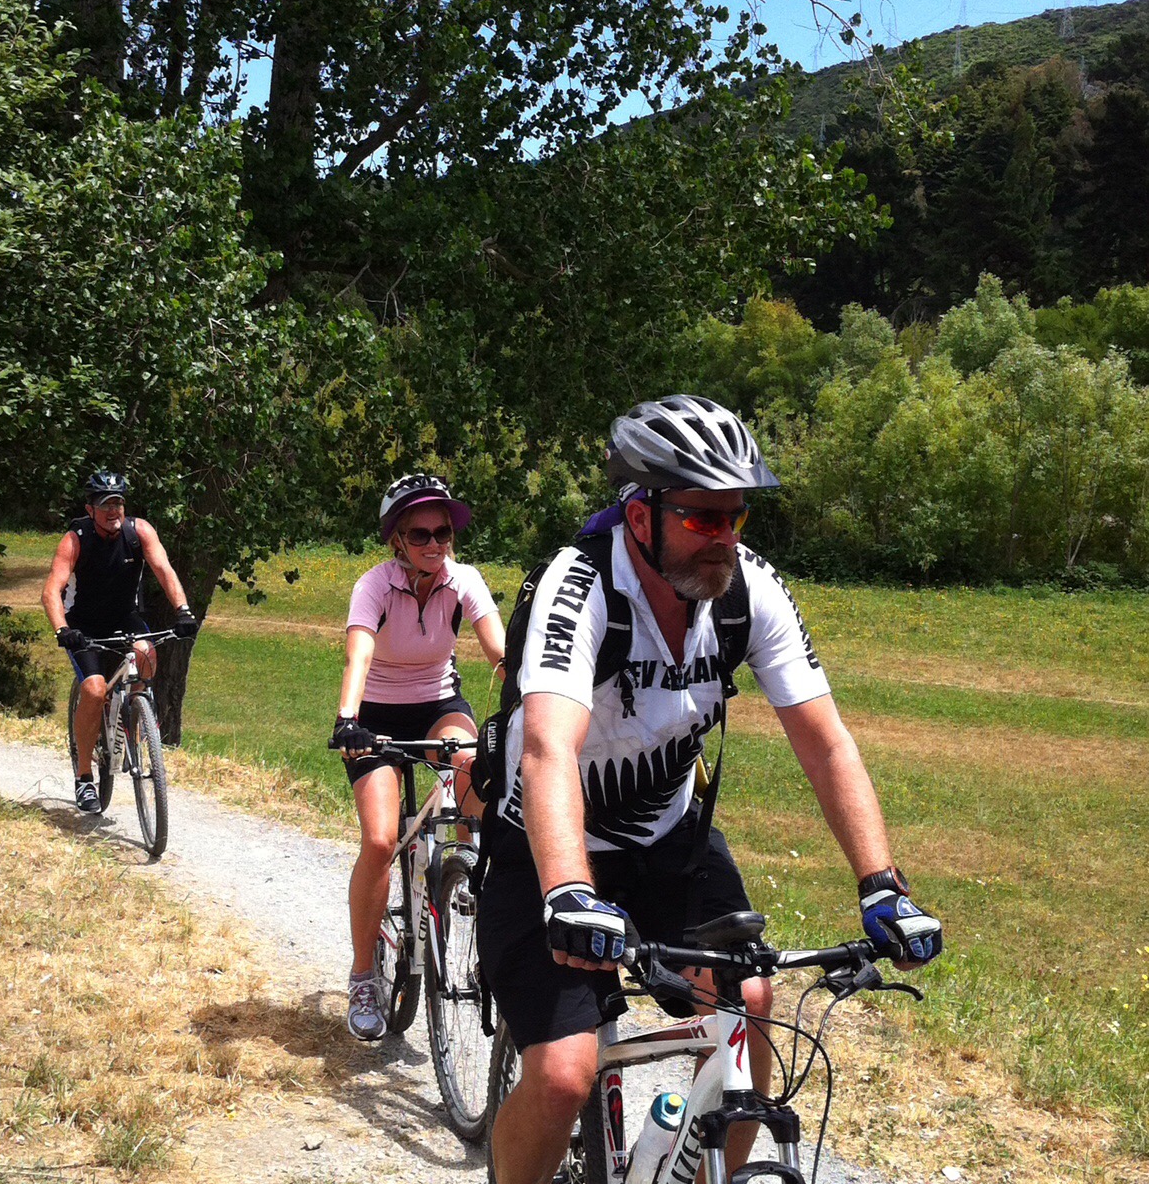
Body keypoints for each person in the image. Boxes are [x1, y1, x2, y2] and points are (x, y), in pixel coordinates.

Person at [480, 396, 941, 1184]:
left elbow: (825, 740)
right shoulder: (580, 585)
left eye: (736, 516)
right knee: (562, 1073)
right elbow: (550, 750)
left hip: (668, 840)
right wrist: (568, 894)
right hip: (547, 851)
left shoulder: (748, 589)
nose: (725, 537)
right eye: (702, 517)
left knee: (749, 998)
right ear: (639, 516)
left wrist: (881, 884)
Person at [328, 473, 507, 1042]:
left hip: (437, 705)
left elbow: (499, 651)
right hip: (375, 716)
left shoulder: (463, 580)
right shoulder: (374, 586)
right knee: (382, 840)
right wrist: (348, 720)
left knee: (477, 766)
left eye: (443, 533)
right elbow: (358, 655)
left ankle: (472, 875)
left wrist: (533, 696)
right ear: (397, 541)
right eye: (421, 534)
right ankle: (363, 977)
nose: (435, 544)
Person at [43, 471, 199, 813]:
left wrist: (183, 611)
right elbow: (52, 590)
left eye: (118, 503)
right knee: (94, 690)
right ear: (90, 509)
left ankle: (135, 718)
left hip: (124, 617)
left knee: (147, 655)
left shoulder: (138, 532)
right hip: (83, 624)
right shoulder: (75, 539)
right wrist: (62, 629)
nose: (113, 511)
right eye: (105, 505)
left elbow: (164, 570)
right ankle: (85, 777)